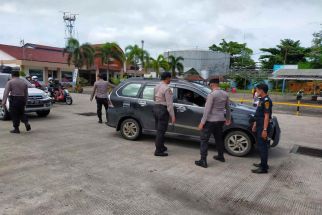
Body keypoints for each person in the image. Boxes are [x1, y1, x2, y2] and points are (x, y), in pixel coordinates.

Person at [195, 78, 231, 168]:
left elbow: (207, 110)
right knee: (219, 138)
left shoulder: (212, 95)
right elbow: (228, 108)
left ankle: (203, 160)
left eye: (209, 85)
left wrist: (202, 122)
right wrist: (228, 119)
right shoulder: (225, 94)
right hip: (220, 120)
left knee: (204, 140)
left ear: (211, 85)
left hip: (211, 121)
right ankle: (220, 156)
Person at [252, 83, 273, 174]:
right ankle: (263, 163)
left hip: (264, 127)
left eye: (257, 90)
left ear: (261, 90)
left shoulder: (267, 101)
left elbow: (266, 116)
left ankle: (264, 168)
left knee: (263, 147)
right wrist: (255, 125)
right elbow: (258, 114)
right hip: (259, 125)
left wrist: (264, 130)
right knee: (261, 146)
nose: (256, 92)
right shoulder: (261, 100)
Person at [153, 72, 176, 157]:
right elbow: (169, 104)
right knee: (161, 131)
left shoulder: (156, 86)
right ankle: (158, 151)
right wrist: (173, 116)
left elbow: (154, 98)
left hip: (155, 108)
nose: (171, 79)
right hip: (162, 110)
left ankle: (161, 146)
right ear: (167, 78)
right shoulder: (166, 88)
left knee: (159, 130)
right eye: (170, 78)